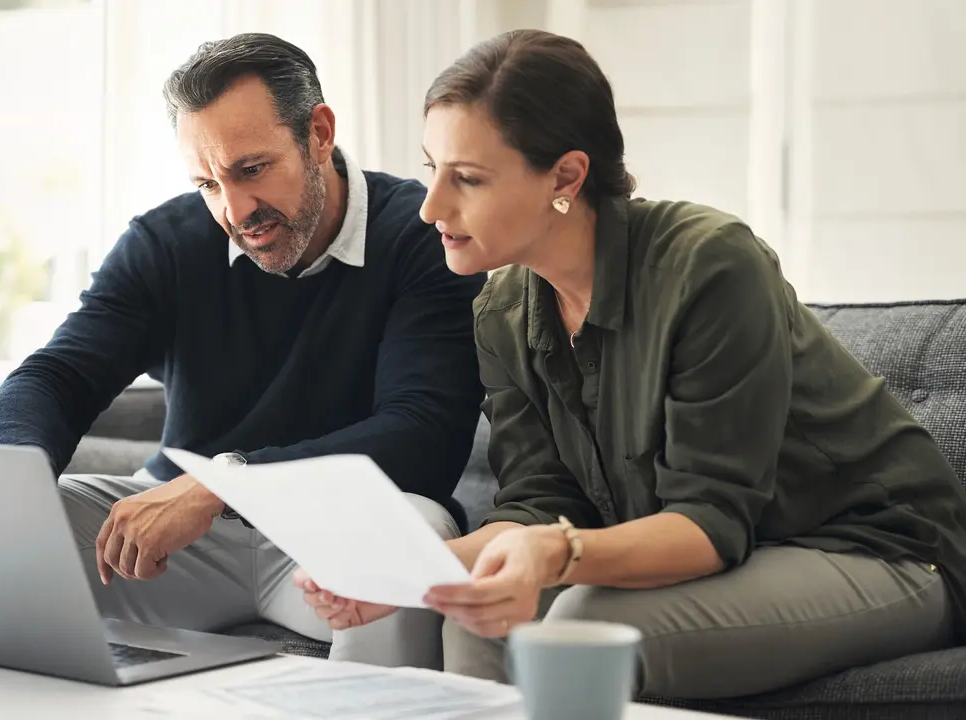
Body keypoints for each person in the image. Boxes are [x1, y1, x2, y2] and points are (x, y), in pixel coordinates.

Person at [296, 28, 966, 698]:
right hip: (743, 552)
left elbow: (711, 521)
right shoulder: (502, 309)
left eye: (467, 178)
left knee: (583, 623)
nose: (431, 206)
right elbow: (539, 504)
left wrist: (559, 553)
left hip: (880, 551)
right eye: (430, 170)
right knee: (478, 611)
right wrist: (405, 576)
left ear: (565, 176)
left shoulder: (709, 265)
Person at [0, 32, 487, 669]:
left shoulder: (422, 238)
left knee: (409, 537)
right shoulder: (165, 242)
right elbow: (57, 377)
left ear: (319, 133)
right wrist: (2, 484)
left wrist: (223, 483)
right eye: (208, 184)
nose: (236, 210)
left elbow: (423, 433)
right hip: (183, 545)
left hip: (331, 540)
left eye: (251, 170)